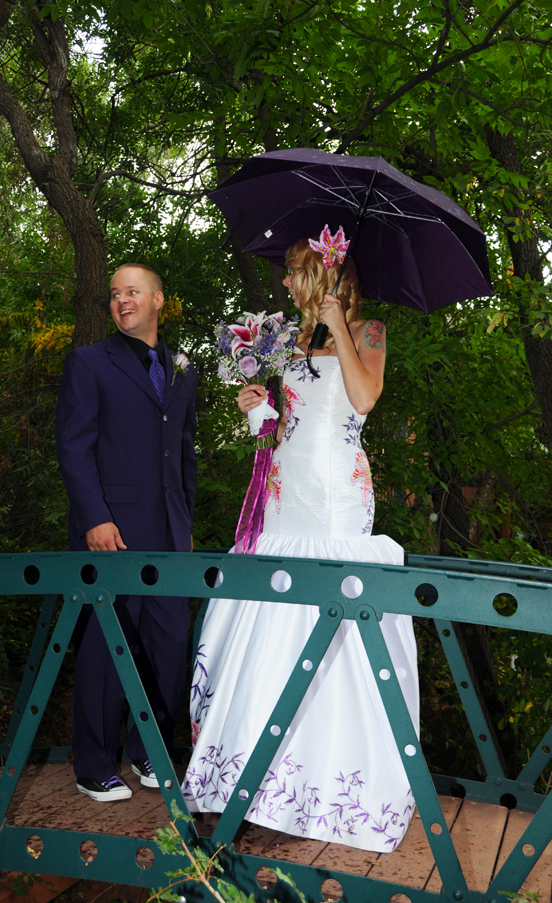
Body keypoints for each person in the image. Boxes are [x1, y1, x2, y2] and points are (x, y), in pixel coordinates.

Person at [182, 228, 419, 852]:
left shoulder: (369, 332)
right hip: (286, 499)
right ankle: (250, 784)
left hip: (338, 496)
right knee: (272, 626)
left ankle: (314, 782)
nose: (285, 282)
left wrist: (339, 324)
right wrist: (256, 410)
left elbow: (363, 399)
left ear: (322, 274)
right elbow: (288, 424)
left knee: (325, 625)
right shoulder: (287, 340)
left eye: (293, 272)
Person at [55, 263, 197, 802]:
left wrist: (184, 524)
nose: (121, 301)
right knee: (105, 645)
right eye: (114, 294)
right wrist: (93, 516)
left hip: (169, 536)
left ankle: (148, 752)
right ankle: (93, 764)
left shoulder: (185, 369)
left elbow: (182, 455)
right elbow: (73, 448)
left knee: (168, 646)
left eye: (132, 292)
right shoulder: (89, 363)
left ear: (159, 299)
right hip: (111, 531)